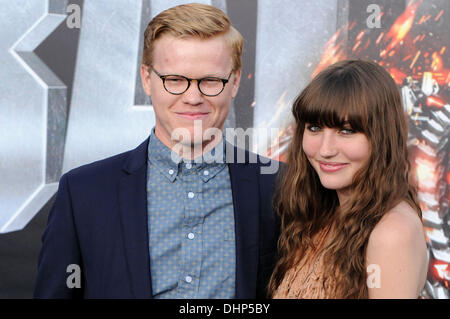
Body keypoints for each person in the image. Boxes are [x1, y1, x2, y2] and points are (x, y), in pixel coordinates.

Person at [34, 3, 279, 299]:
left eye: (210, 81)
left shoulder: (279, 188)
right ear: (147, 79)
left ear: (235, 81)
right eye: (174, 80)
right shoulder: (83, 192)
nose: (192, 97)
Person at [269, 60, 428, 299]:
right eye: (314, 128)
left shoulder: (392, 232)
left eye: (346, 130)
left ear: (382, 137)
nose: (325, 149)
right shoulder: (322, 218)